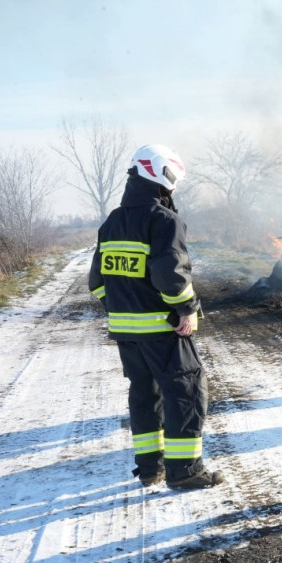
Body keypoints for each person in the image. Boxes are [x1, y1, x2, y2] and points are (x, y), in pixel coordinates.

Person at [88, 144, 224, 490]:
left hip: (126, 332)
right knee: (186, 392)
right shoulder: (164, 220)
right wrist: (186, 310)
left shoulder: (112, 222)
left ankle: (150, 468)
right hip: (162, 329)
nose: (174, 186)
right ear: (161, 175)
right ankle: (185, 471)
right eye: (173, 179)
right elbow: (171, 275)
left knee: (145, 394)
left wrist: (122, 308)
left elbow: (97, 282)